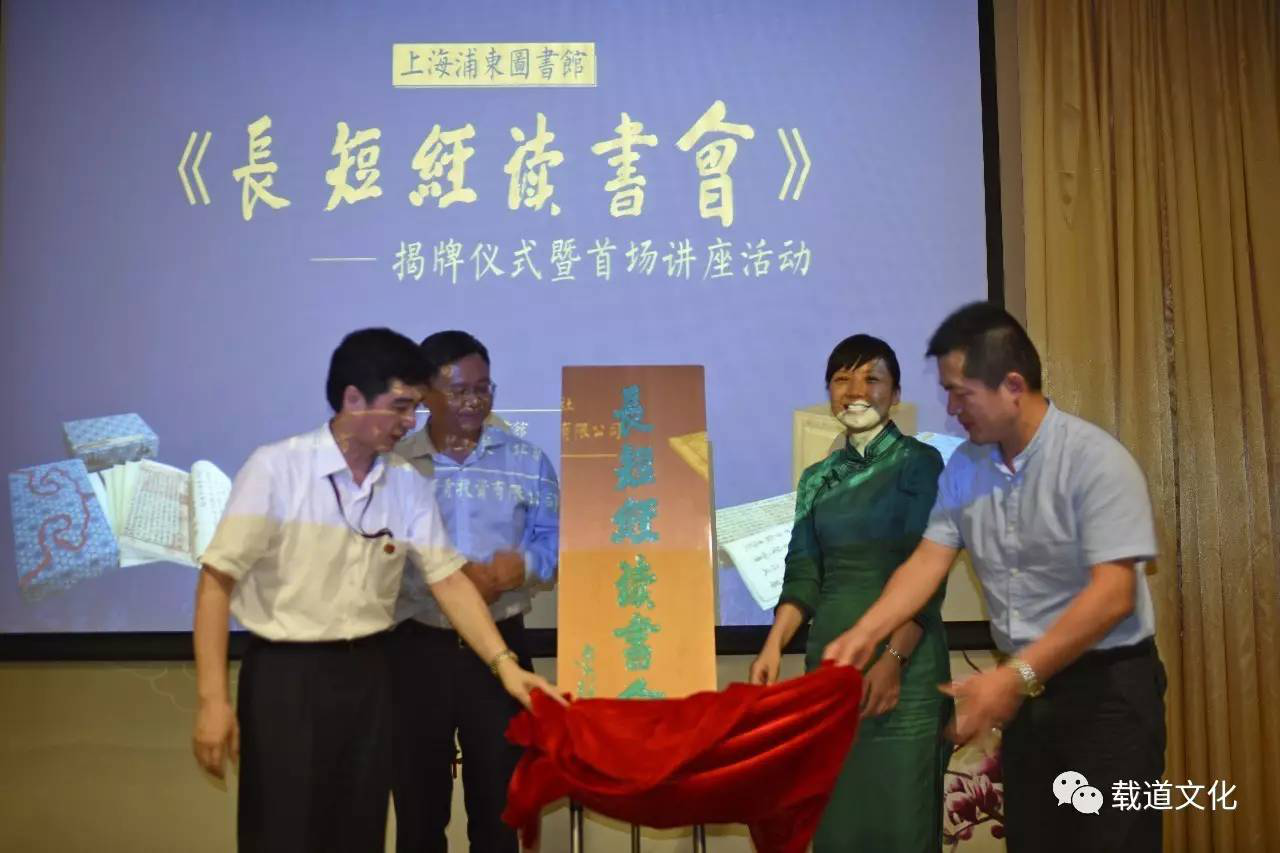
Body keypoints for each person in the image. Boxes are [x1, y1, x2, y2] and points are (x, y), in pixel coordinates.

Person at [191, 327, 560, 853]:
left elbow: (448, 580)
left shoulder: (404, 481)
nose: (411, 420)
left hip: (370, 672)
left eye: (414, 406)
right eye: (401, 406)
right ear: (353, 399)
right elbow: (216, 582)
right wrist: (213, 701)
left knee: (360, 829)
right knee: (284, 829)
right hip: (287, 676)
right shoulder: (276, 468)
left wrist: (506, 667)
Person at [825, 302, 1166, 852]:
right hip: (1029, 696)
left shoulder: (1095, 460)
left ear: (1012, 385)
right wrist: (865, 633)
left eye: (961, 393)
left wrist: (1014, 678)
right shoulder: (965, 467)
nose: (951, 408)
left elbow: (1113, 596)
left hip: (1107, 695)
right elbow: (926, 562)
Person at [749, 334, 948, 853]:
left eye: (871, 378)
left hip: (905, 669)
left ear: (895, 395)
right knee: (836, 828)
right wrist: (773, 646)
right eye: (842, 379)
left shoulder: (920, 462)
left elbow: (928, 573)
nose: (855, 391)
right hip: (831, 673)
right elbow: (803, 572)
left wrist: (893, 660)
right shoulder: (816, 478)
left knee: (901, 829)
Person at [388, 330, 559, 853]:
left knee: (499, 812)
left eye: (483, 389)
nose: (474, 401)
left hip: (502, 647)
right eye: (459, 390)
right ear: (425, 394)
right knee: (419, 813)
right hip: (416, 647)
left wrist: (520, 567)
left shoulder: (527, 461)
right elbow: (374, 555)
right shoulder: (394, 465)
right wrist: (443, 579)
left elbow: (552, 544)